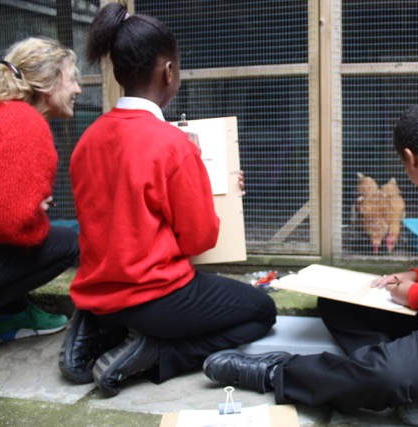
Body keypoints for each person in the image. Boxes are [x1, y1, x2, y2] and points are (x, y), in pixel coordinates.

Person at [203, 103, 418, 426]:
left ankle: (277, 372)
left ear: (410, 157)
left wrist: (415, 294)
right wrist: (417, 275)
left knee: (386, 374)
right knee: (337, 304)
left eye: (403, 165)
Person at [59, 2, 277, 397]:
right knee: (262, 312)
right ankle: (157, 352)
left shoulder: (88, 139)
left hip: (99, 291)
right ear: (169, 71)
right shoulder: (172, 145)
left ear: (119, 71)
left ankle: (100, 325)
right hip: (154, 297)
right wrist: (200, 178)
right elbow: (199, 239)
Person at [0, 37, 81, 343]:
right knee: (70, 242)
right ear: (48, 85)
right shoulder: (25, 122)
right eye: (72, 79)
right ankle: (4, 318)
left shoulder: (2, 110)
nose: (78, 90)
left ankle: (8, 311)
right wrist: (35, 215)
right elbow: (11, 226)